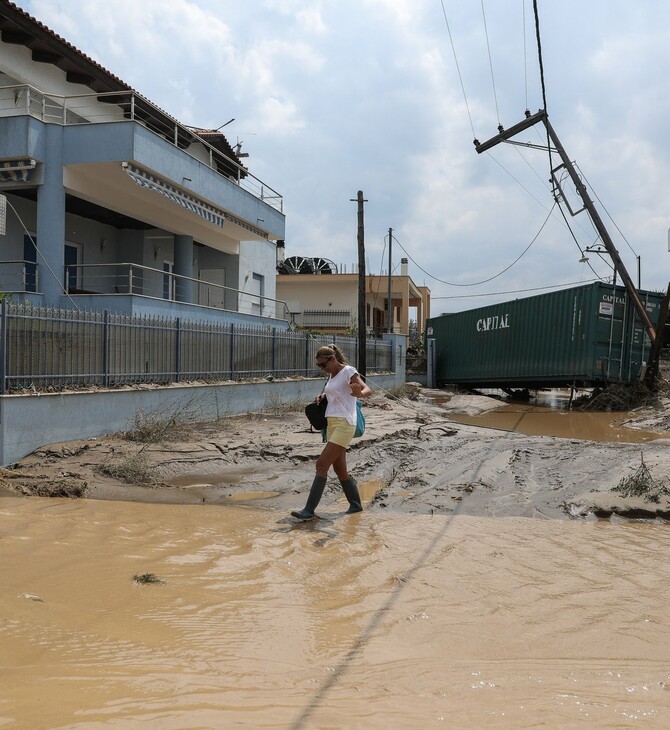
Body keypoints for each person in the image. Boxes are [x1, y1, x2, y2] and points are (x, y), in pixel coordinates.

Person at [291, 344, 372, 520]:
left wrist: (359, 394)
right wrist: (323, 397)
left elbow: (367, 390)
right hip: (332, 423)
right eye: (319, 365)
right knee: (339, 469)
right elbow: (337, 394)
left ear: (333, 359)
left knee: (321, 464)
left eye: (323, 364)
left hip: (345, 423)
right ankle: (356, 505)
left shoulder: (348, 371)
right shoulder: (331, 374)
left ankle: (309, 510)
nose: (321, 368)